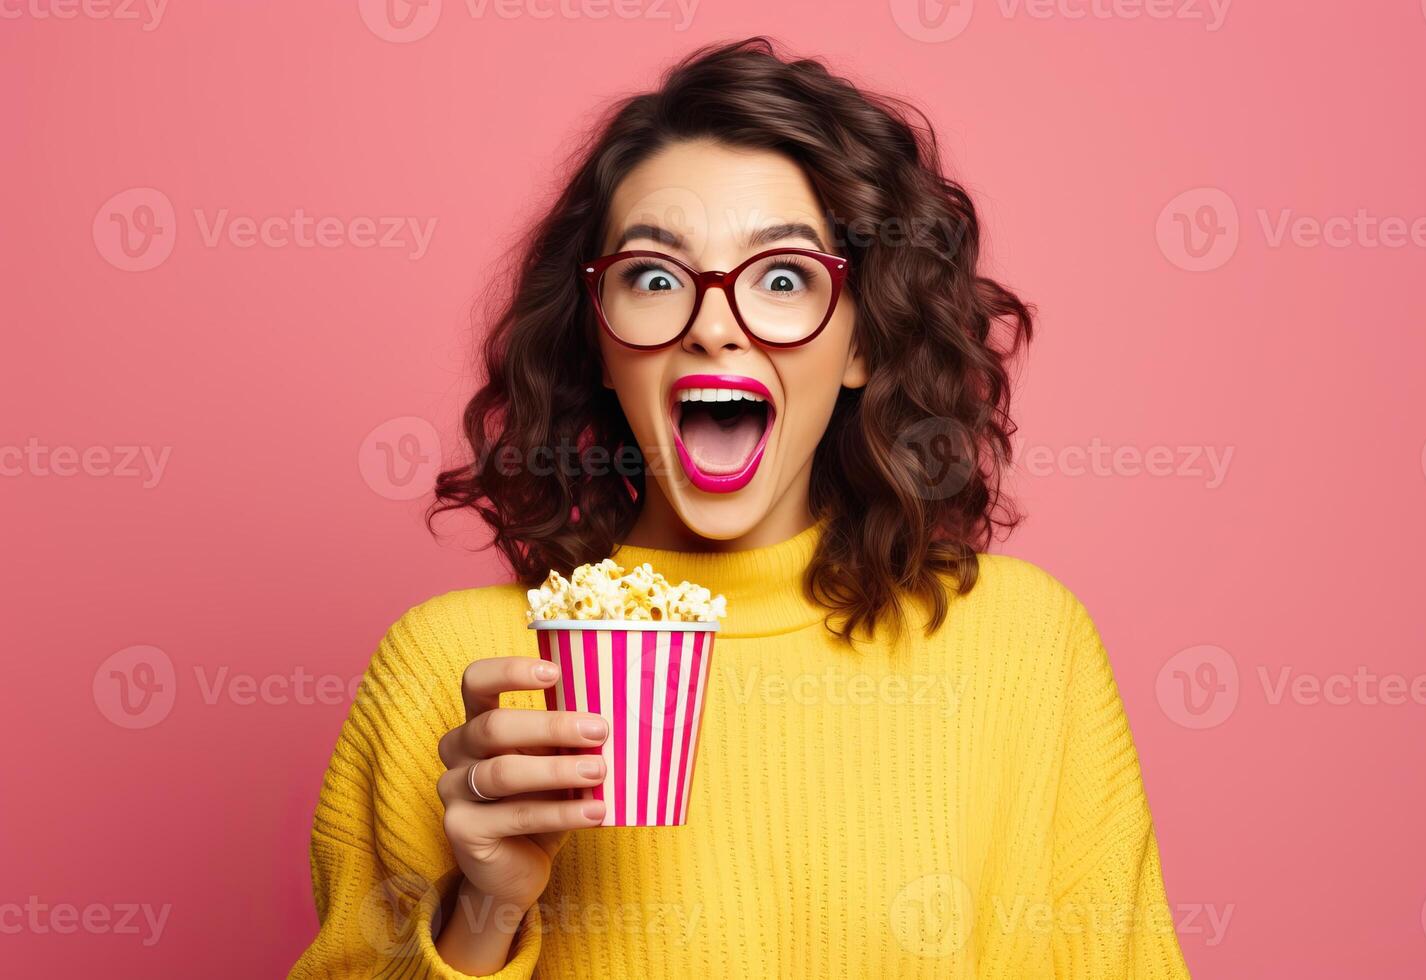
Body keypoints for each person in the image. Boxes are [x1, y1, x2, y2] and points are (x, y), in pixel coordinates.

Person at [290, 36, 1190, 979]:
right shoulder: (456, 670)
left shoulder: (1024, 649)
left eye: (785, 278)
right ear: (599, 342)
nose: (715, 325)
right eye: (652, 278)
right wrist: (481, 917)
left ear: (861, 346)